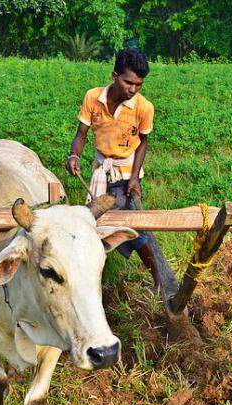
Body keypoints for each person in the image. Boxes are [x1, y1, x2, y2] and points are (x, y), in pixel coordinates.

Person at [66, 48, 176, 299]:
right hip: (101, 172)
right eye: (128, 82)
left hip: (126, 172)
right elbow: (81, 135)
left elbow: (143, 143)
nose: (133, 89)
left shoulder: (143, 107)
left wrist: (135, 177)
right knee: (93, 226)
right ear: (114, 75)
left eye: (139, 84)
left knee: (132, 223)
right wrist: (74, 156)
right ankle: (92, 283)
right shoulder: (93, 98)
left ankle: (161, 278)